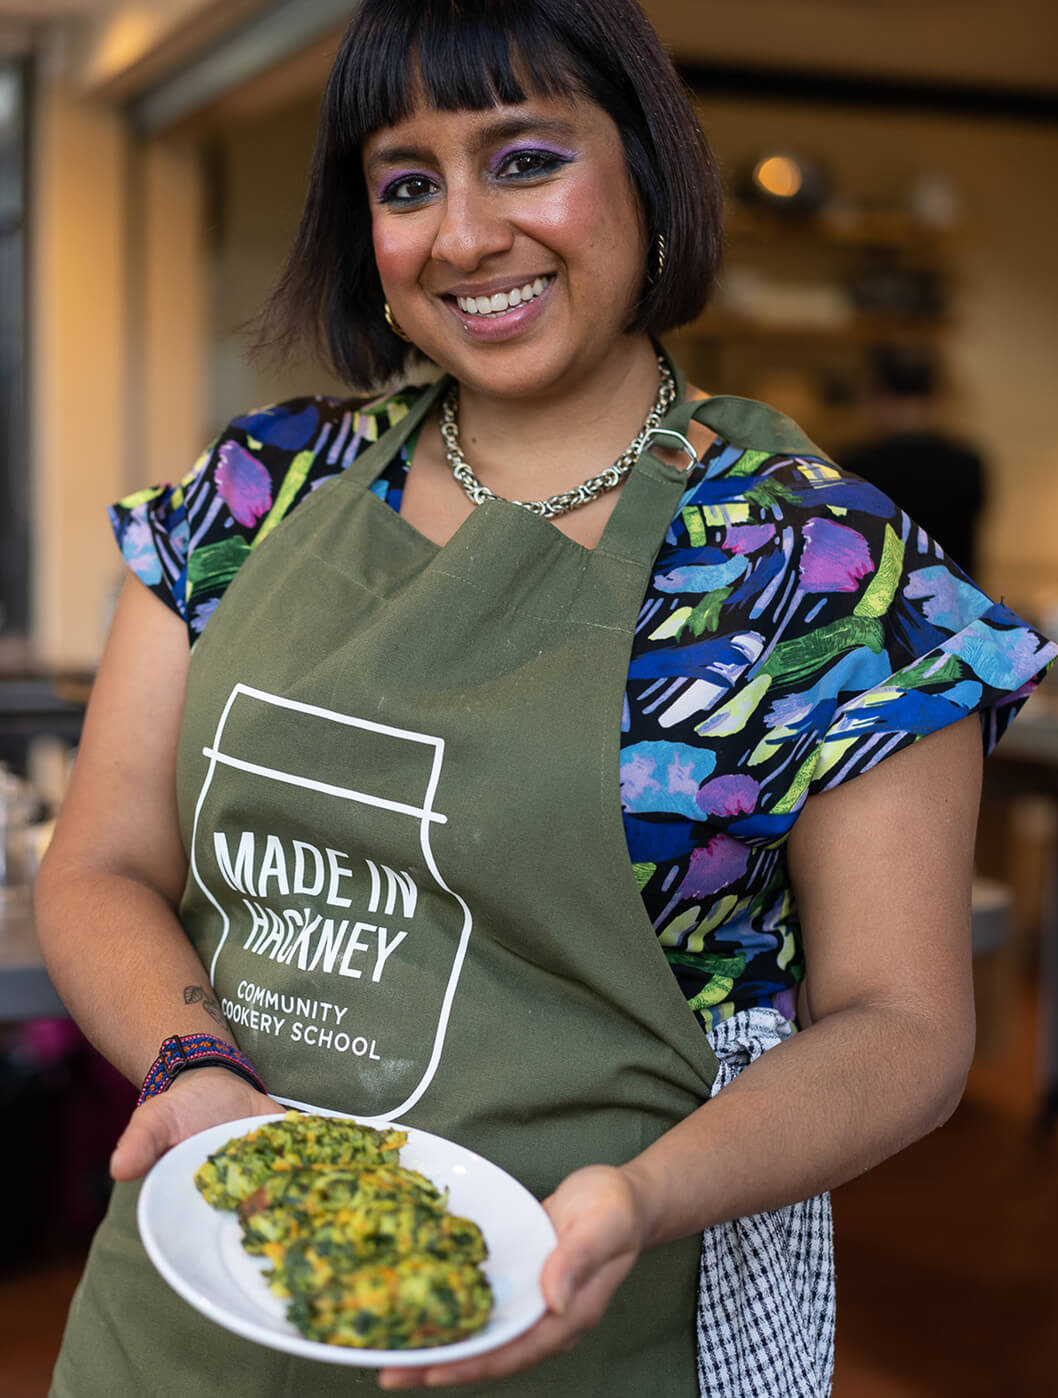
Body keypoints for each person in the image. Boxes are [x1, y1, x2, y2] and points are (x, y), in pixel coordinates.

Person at [35, 3, 1055, 1396]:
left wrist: (642, 1196)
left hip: (587, 1309)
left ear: (647, 170)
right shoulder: (254, 492)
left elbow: (904, 1025)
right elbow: (101, 862)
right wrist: (191, 1072)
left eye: (524, 160)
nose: (463, 236)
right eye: (407, 183)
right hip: (193, 1303)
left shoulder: (821, 574)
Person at [842, 344, 988, 577]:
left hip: (881, 597)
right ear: (938, 395)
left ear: (877, 396)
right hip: (954, 596)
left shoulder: (855, 465)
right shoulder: (968, 466)